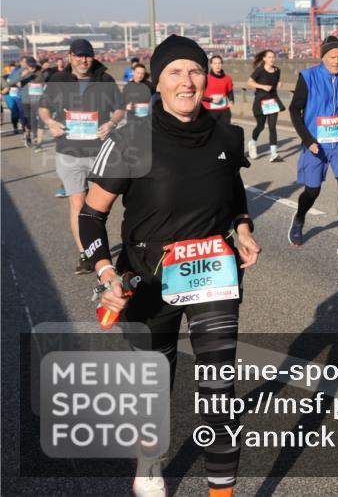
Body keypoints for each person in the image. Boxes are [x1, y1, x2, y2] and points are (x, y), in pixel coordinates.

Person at [83, 34, 260, 497]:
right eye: (175, 72)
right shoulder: (130, 139)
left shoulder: (226, 135)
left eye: (195, 70)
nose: (187, 81)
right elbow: (91, 215)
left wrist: (242, 228)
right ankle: (150, 462)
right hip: (146, 279)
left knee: (219, 392)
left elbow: (233, 192)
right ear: (157, 82)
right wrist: (106, 274)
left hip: (213, 275)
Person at [37, 39, 124, 276]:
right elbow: (44, 107)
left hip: (99, 151)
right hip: (69, 151)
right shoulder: (58, 79)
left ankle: (96, 247)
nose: (83, 60)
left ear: (92, 57)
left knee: (96, 206)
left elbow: (119, 108)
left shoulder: (105, 80)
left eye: (87, 56)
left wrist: (111, 123)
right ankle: (85, 254)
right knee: (77, 202)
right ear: (70, 56)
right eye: (79, 55)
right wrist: (50, 122)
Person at [287, 35, 338, 256]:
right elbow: (294, 110)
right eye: (332, 57)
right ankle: (299, 218)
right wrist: (308, 140)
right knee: (312, 191)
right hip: (316, 144)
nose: (336, 61)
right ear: (323, 57)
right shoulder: (308, 77)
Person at [246, 49, 283, 162]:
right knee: (260, 126)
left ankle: (273, 153)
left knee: (272, 127)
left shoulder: (277, 70)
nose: (272, 59)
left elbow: (275, 82)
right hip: (260, 102)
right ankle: (252, 142)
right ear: (264, 58)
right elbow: (249, 82)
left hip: (272, 101)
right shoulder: (260, 70)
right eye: (269, 57)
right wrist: (262, 86)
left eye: (273, 57)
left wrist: (279, 83)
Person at [17, 60, 45, 149]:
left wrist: (39, 85)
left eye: (33, 65)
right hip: (26, 100)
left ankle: (36, 136)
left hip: (37, 99)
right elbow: (18, 83)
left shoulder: (40, 73)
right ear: (27, 66)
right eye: (30, 65)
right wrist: (22, 76)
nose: (32, 67)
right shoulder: (23, 72)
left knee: (36, 118)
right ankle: (28, 135)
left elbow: (44, 84)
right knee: (28, 119)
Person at [203, 54, 235, 125]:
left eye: (219, 63)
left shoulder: (227, 78)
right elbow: (199, 95)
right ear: (211, 65)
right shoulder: (205, 78)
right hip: (209, 110)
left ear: (222, 64)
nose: (217, 65)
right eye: (215, 63)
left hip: (224, 110)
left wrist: (231, 101)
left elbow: (230, 92)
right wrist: (211, 100)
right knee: (211, 131)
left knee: (225, 130)